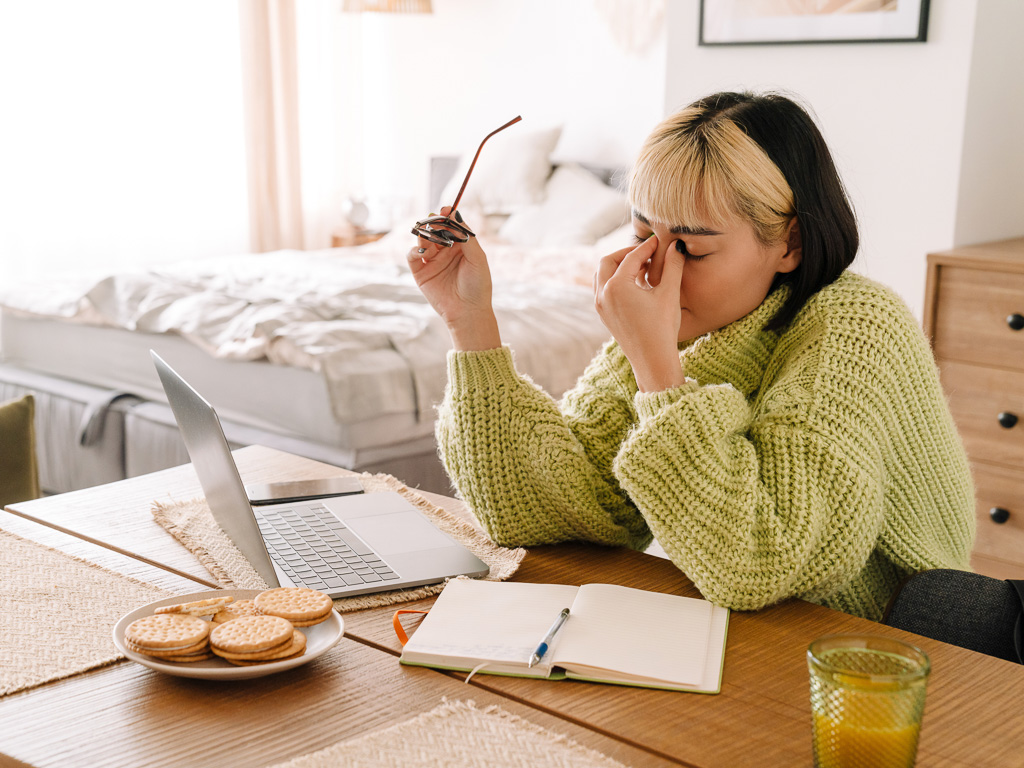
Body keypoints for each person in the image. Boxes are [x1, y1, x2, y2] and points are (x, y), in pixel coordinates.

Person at [407, 91, 975, 622]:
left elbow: (762, 560)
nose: (653, 268)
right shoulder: (681, 326)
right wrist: (471, 323)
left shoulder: (855, 326)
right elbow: (548, 509)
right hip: (751, 631)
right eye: (639, 234)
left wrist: (657, 370)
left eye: (692, 249)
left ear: (790, 245)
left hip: (883, 644)